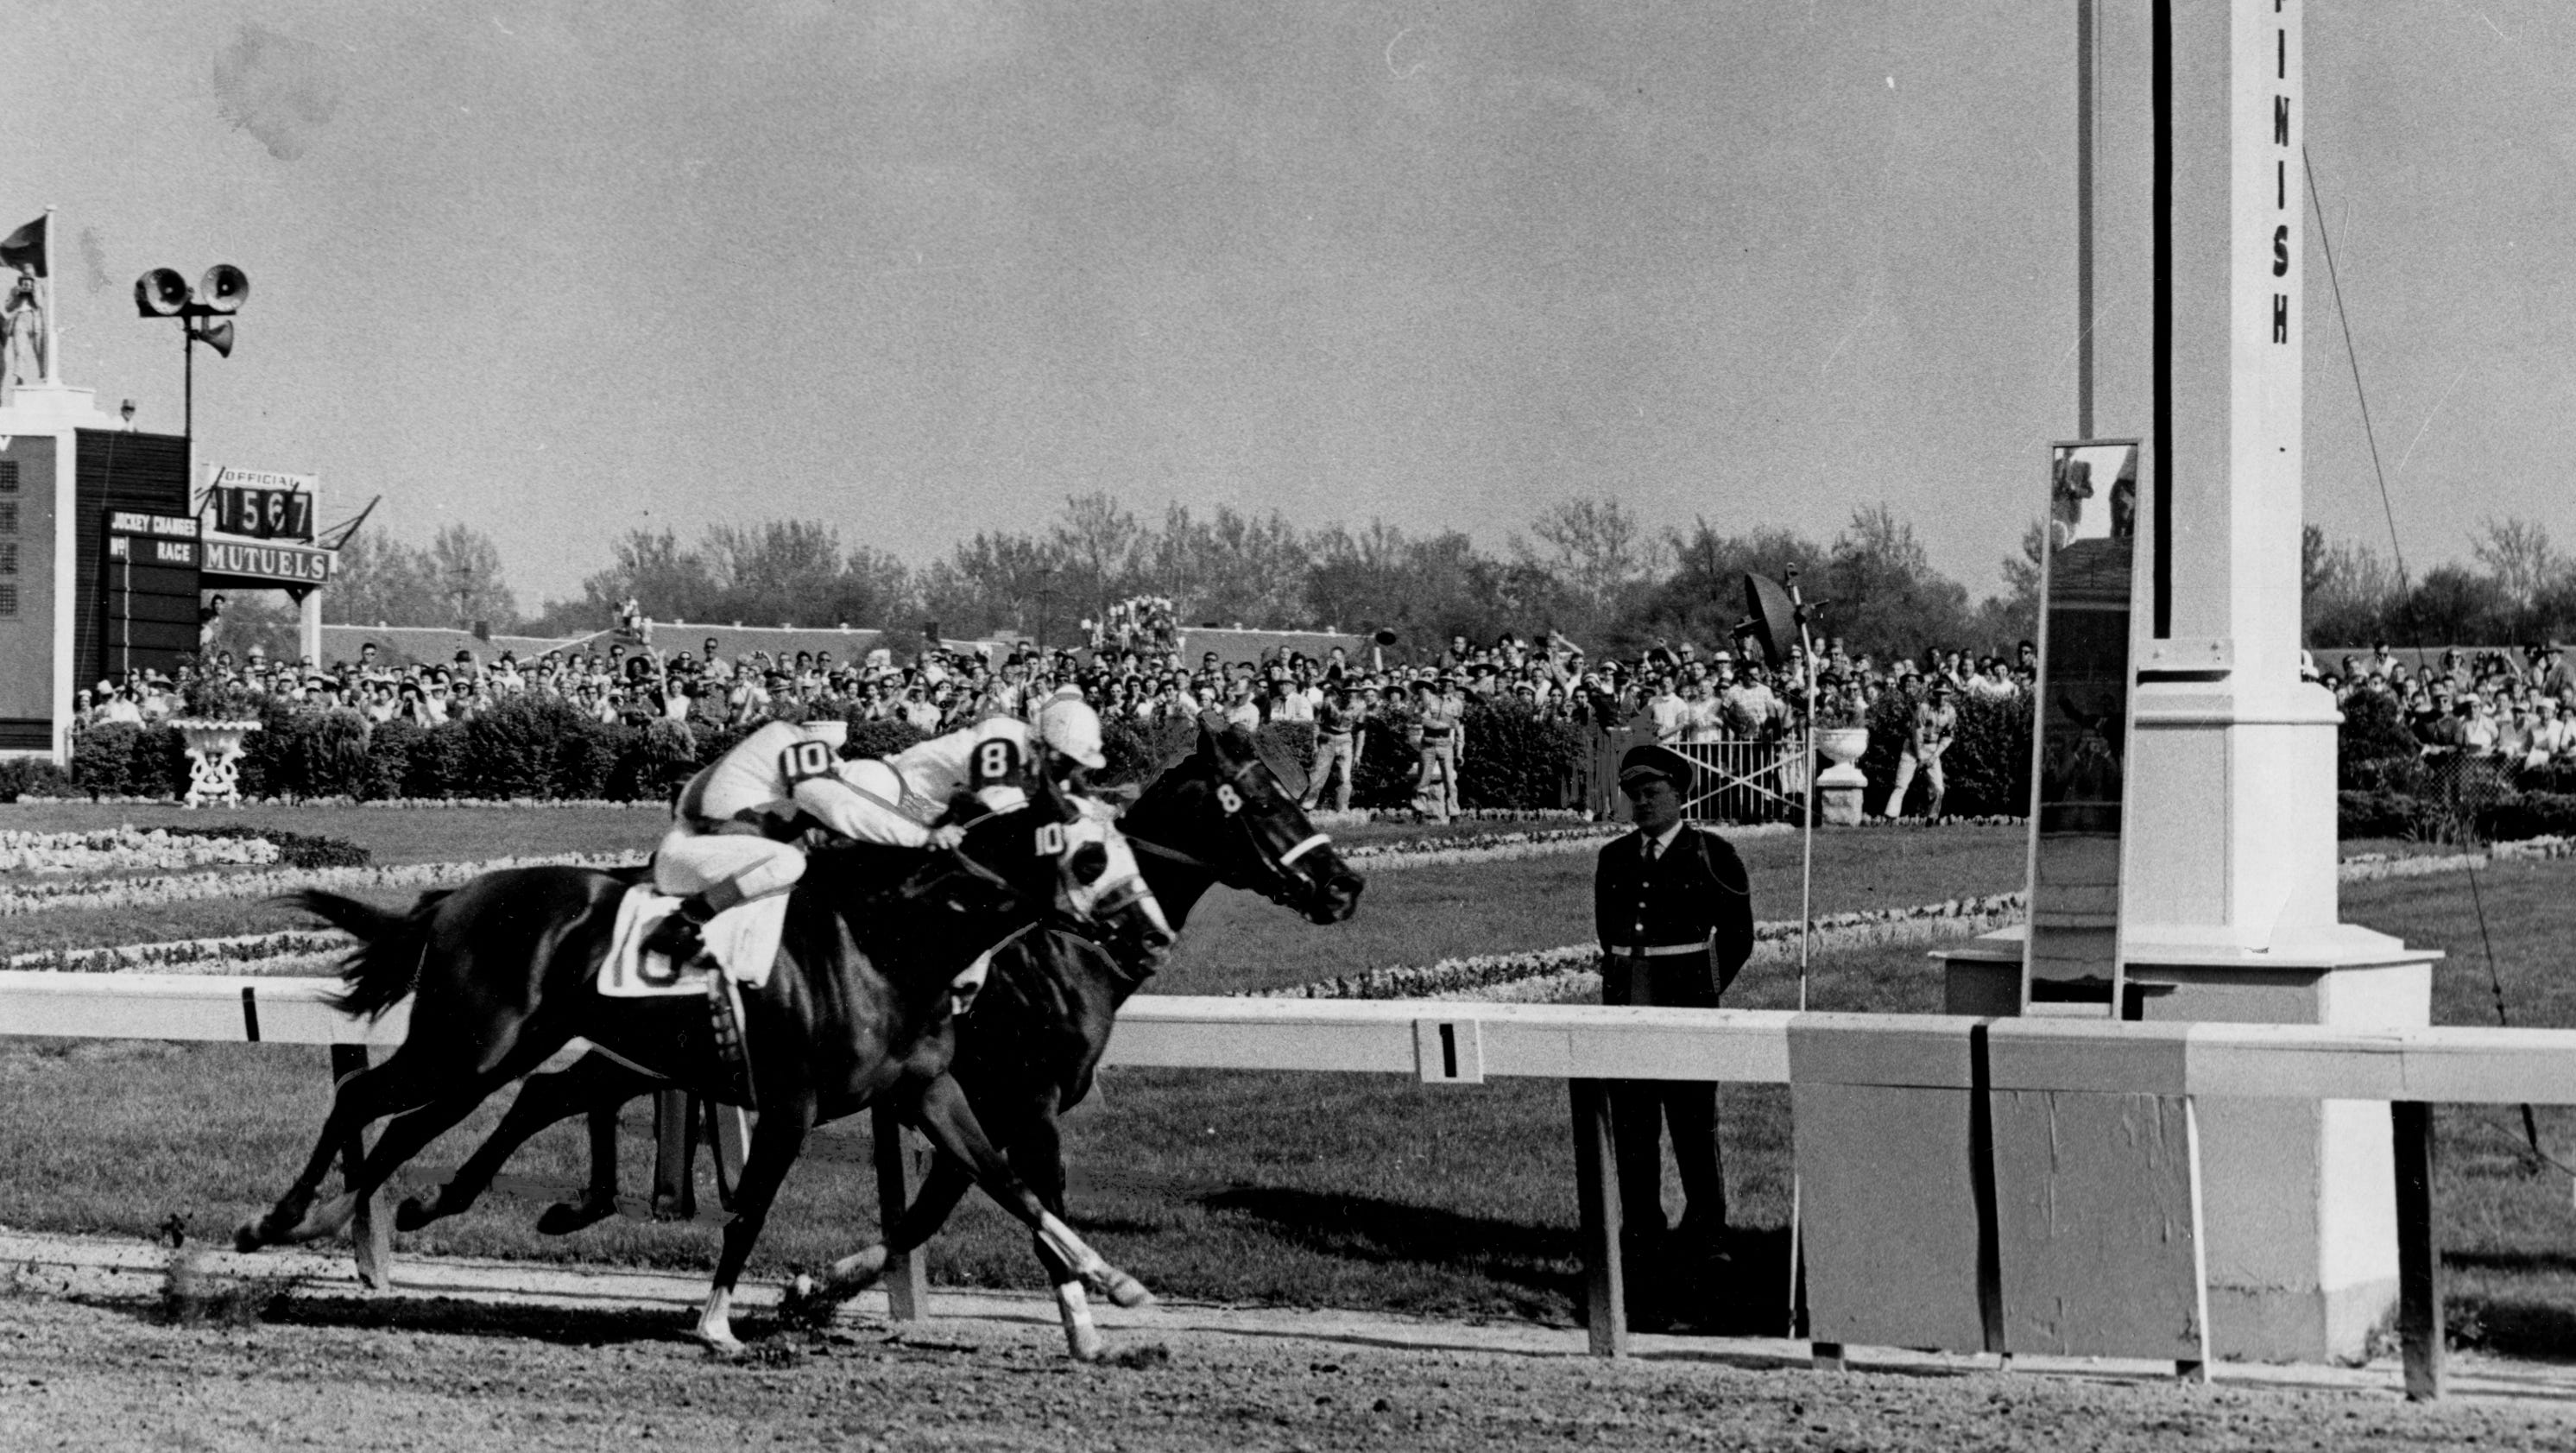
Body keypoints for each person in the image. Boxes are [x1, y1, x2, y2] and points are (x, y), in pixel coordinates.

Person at [1595, 744, 1754, 1322]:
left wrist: (1701, 993)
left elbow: (1738, 934)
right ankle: (1641, 1229)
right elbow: (1608, 936)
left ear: (1678, 794)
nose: (1641, 803)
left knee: (1693, 1121)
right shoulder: (1612, 857)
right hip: (1626, 1003)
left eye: (1652, 793)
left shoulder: (1711, 853)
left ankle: (1709, 1232)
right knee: (1634, 1125)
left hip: (1685, 1002)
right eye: (1634, 794)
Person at [641, 717, 958, 967]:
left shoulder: (789, 751)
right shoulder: (799, 752)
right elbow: (842, 809)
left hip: (703, 849)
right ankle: (681, 924)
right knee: (788, 864)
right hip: (688, 857)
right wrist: (923, 836)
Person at [1879, 678, 1957, 820]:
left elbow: (1947, 736)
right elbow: (1917, 733)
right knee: (1901, 784)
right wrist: (1921, 757)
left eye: (1945, 694)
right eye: (1939, 693)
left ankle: (1931, 817)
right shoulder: (1924, 708)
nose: (1942, 697)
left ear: (1949, 695)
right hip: (1912, 748)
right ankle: (1890, 816)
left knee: (1939, 788)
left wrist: (1935, 755)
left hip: (1932, 748)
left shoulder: (1950, 712)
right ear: (1933, 694)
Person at [1304, 682, 1363, 812]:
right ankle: (1308, 805)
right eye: (1349, 691)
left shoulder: (1360, 706)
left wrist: (1358, 753)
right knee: (1318, 773)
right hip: (1328, 737)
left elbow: (1360, 730)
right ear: (1343, 692)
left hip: (1345, 739)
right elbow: (1317, 723)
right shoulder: (1330, 702)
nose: (1352, 694)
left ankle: (1342, 807)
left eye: (1355, 691)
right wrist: (1315, 744)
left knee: (1345, 775)